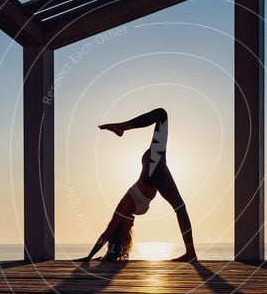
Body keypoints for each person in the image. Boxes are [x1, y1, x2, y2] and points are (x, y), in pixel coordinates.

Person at [81, 108, 197, 262]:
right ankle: (191, 253)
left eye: (128, 226)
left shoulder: (122, 210)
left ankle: (122, 127)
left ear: (121, 225)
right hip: (156, 169)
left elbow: (106, 234)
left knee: (161, 114)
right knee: (180, 207)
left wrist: (88, 258)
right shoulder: (127, 214)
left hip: (152, 168)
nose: (132, 225)